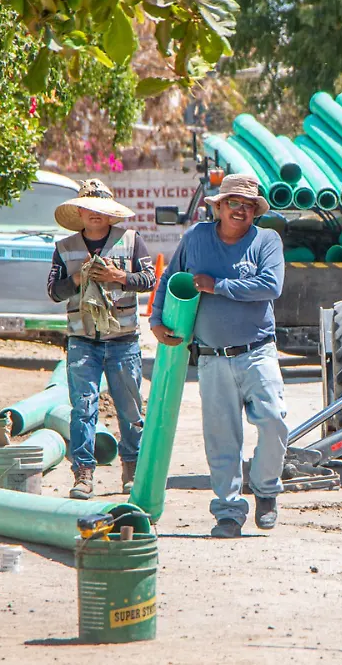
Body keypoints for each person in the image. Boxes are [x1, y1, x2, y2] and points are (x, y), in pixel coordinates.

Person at [149, 174, 289, 539]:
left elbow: (270, 286)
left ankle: (266, 490)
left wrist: (218, 286)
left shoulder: (266, 241)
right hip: (211, 357)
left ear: (255, 211)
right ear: (219, 206)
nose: (240, 210)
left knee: (274, 421)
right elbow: (170, 278)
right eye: (233, 203)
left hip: (258, 351)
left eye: (247, 205)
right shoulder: (197, 238)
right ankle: (228, 513)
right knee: (222, 439)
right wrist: (156, 319)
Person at [48, 179, 156, 500]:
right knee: (83, 407)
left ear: (109, 215)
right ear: (80, 212)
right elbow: (53, 291)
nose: (95, 215)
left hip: (123, 340)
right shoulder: (64, 248)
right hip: (82, 340)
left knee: (130, 407)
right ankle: (83, 472)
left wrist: (118, 276)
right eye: (89, 209)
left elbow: (149, 279)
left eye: (100, 210)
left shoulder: (132, 242)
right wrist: (77, 279)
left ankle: (132, 467)